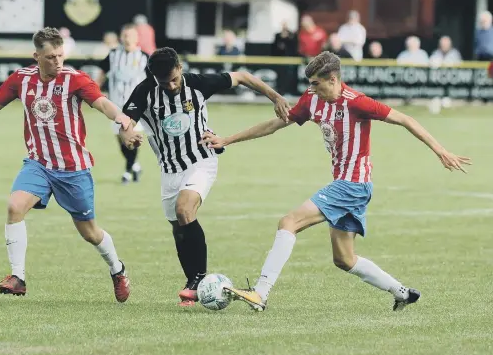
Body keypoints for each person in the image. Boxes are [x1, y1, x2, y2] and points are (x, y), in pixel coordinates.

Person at [201, 51, 471, 312]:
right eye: (310, 84)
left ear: (333, 79)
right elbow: (275, 124)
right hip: (348, 184)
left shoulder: (357, 102)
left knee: (289, 222)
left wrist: (441, 151)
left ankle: (260, 293)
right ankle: (402, 292)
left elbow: (405, 118)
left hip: (352, 185)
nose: (312, 89)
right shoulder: (312, 99)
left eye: (316, 83)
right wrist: (227, 140)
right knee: (344, 259)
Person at [0, 27, 132, 301]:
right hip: (38, 163)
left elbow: (102, 104)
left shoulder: (75, 79)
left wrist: (122, 119)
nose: (57, 62)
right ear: (37, 56)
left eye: (60, 55)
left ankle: (117, 268)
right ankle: (18, 277)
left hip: (73, 169)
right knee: (14, 206)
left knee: (90, 232)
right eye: (51, 57)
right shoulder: (21, 79)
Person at [118, 47, 290, 306]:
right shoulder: (145, 91)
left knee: (184, 210)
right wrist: (127, 136)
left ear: (180, 68)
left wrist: (275, 97)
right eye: (165, 82)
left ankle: (200, 278)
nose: (172, 85)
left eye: (175, 78)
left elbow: (242, 76)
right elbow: (124, 122)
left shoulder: (198, 84)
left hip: (201, 159)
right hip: (169, 168)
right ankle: (192, 284)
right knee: (179, 228)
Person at [98, 24, 148, 183]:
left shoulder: (144, 57)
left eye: (130, 36)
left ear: (136, 38)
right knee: (120, 138)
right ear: (121, 37)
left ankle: (127, 172)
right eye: (125, 35)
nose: (127, 39)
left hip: (136, 106)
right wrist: (95, 90)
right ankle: (135, 166)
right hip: (116, 105)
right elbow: (102, 73)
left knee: (131, 136)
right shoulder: (113, 55)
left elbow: (152, 81)